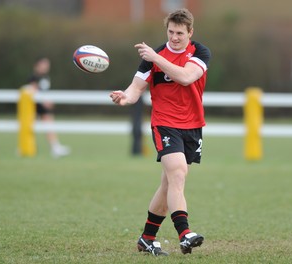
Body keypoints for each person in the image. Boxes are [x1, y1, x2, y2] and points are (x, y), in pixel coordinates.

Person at [110, 8, 211, 256]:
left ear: (190, 32)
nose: (174, 37)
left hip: (192, 125)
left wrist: (156, 58)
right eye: (171, 32)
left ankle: (147, 238)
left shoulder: (199, 52)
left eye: (179, 33)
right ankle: (185, 234)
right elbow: (135, 89)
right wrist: (124, 97)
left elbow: (186, 77)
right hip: (164, 123)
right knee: (177, 173)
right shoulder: (153, 56)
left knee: (168, 184)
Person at [31, 57, 70, 158]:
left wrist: (49, 100)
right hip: (35, 105)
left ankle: (55, 147)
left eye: (47, 64)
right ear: (37, 65)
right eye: (43, 64)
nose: (46, 67)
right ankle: (25, 147)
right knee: (29, 127)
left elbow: (45, 91)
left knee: (49, 126)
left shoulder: (46, 77)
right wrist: (43, 101)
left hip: (44, 106)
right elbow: (33, 91)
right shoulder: (34, 77)